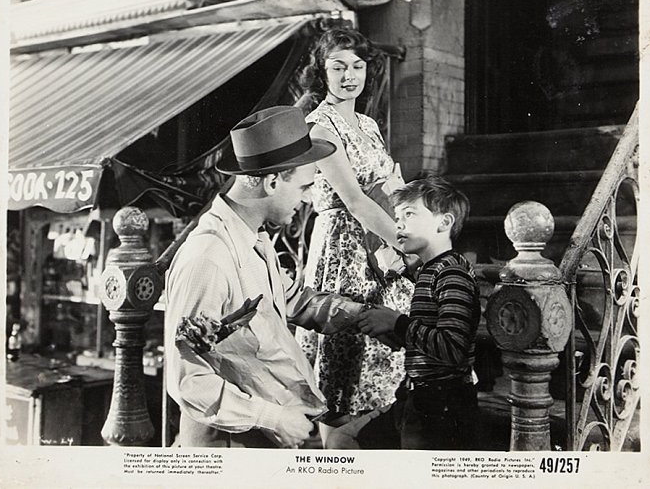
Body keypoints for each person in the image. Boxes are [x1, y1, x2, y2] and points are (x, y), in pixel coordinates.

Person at [164, 106, 382, 448]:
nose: (309, 199)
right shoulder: (208, 259)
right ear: (272, 181)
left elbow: (293, 299)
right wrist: (273, 418)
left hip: (263, 442)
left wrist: (365, 316)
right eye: (304, 187)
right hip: (224, 453)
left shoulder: (255, 238)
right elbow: (187, 380)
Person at [295, 27, 414, 442]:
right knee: (342, 390)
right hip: (344, 254)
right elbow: (355, 201)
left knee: (382, 377)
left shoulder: (367, 123)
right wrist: (411, 248)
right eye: (338, 66)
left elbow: (390, 187)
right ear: (321, 72)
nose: (350, 75)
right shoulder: (319, 127)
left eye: (358, 66)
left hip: (381, 246)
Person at [351, 176, 481, 450]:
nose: (398, 224)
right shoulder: (429, 270)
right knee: (349, 439)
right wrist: (396, 330)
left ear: (444, 223)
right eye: (397, 216)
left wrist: (397, 322)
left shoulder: (451, 273)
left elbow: (452, 346)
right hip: (419, 397)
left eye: (409, 214)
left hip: (443, 404)